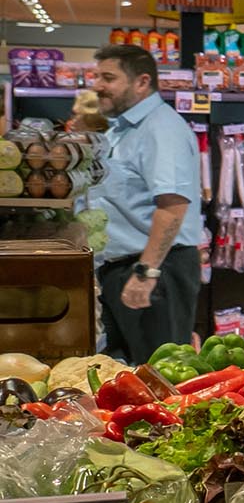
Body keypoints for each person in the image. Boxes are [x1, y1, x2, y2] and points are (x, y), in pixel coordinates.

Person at [83, 43, 209, 360]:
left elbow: (173, 205)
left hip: (155, 270)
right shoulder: (122, 130)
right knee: (125, 373)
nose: (97, 86)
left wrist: (146, 274)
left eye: (108, 78)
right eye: (97, 76)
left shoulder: (160, 129)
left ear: (141, 82)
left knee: (160, 377)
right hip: (123, 268)